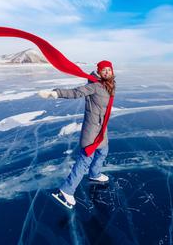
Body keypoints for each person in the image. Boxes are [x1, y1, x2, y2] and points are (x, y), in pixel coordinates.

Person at [38, 60, 116, 208]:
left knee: (103, 151)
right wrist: (55, 93)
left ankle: (94, 174)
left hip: (102, 128)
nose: (106, 72)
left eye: (109, 70)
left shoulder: (110, 84)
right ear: (99, 72)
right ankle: (67, 189)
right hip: (92, 129)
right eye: (103, 70)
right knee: (85, 158)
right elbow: (76, 92)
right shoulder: (94, 86)